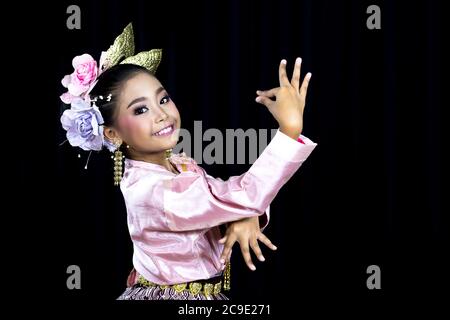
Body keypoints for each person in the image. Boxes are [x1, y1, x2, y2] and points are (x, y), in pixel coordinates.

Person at [59, 23, 317, 300]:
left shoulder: (178, 163)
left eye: (164, 99)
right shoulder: (156, 192)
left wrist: (244, 214)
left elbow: (224, 197)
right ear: (112, 134)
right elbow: (238, 197)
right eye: (141, 109)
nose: (161, 114)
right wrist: (289, 130)